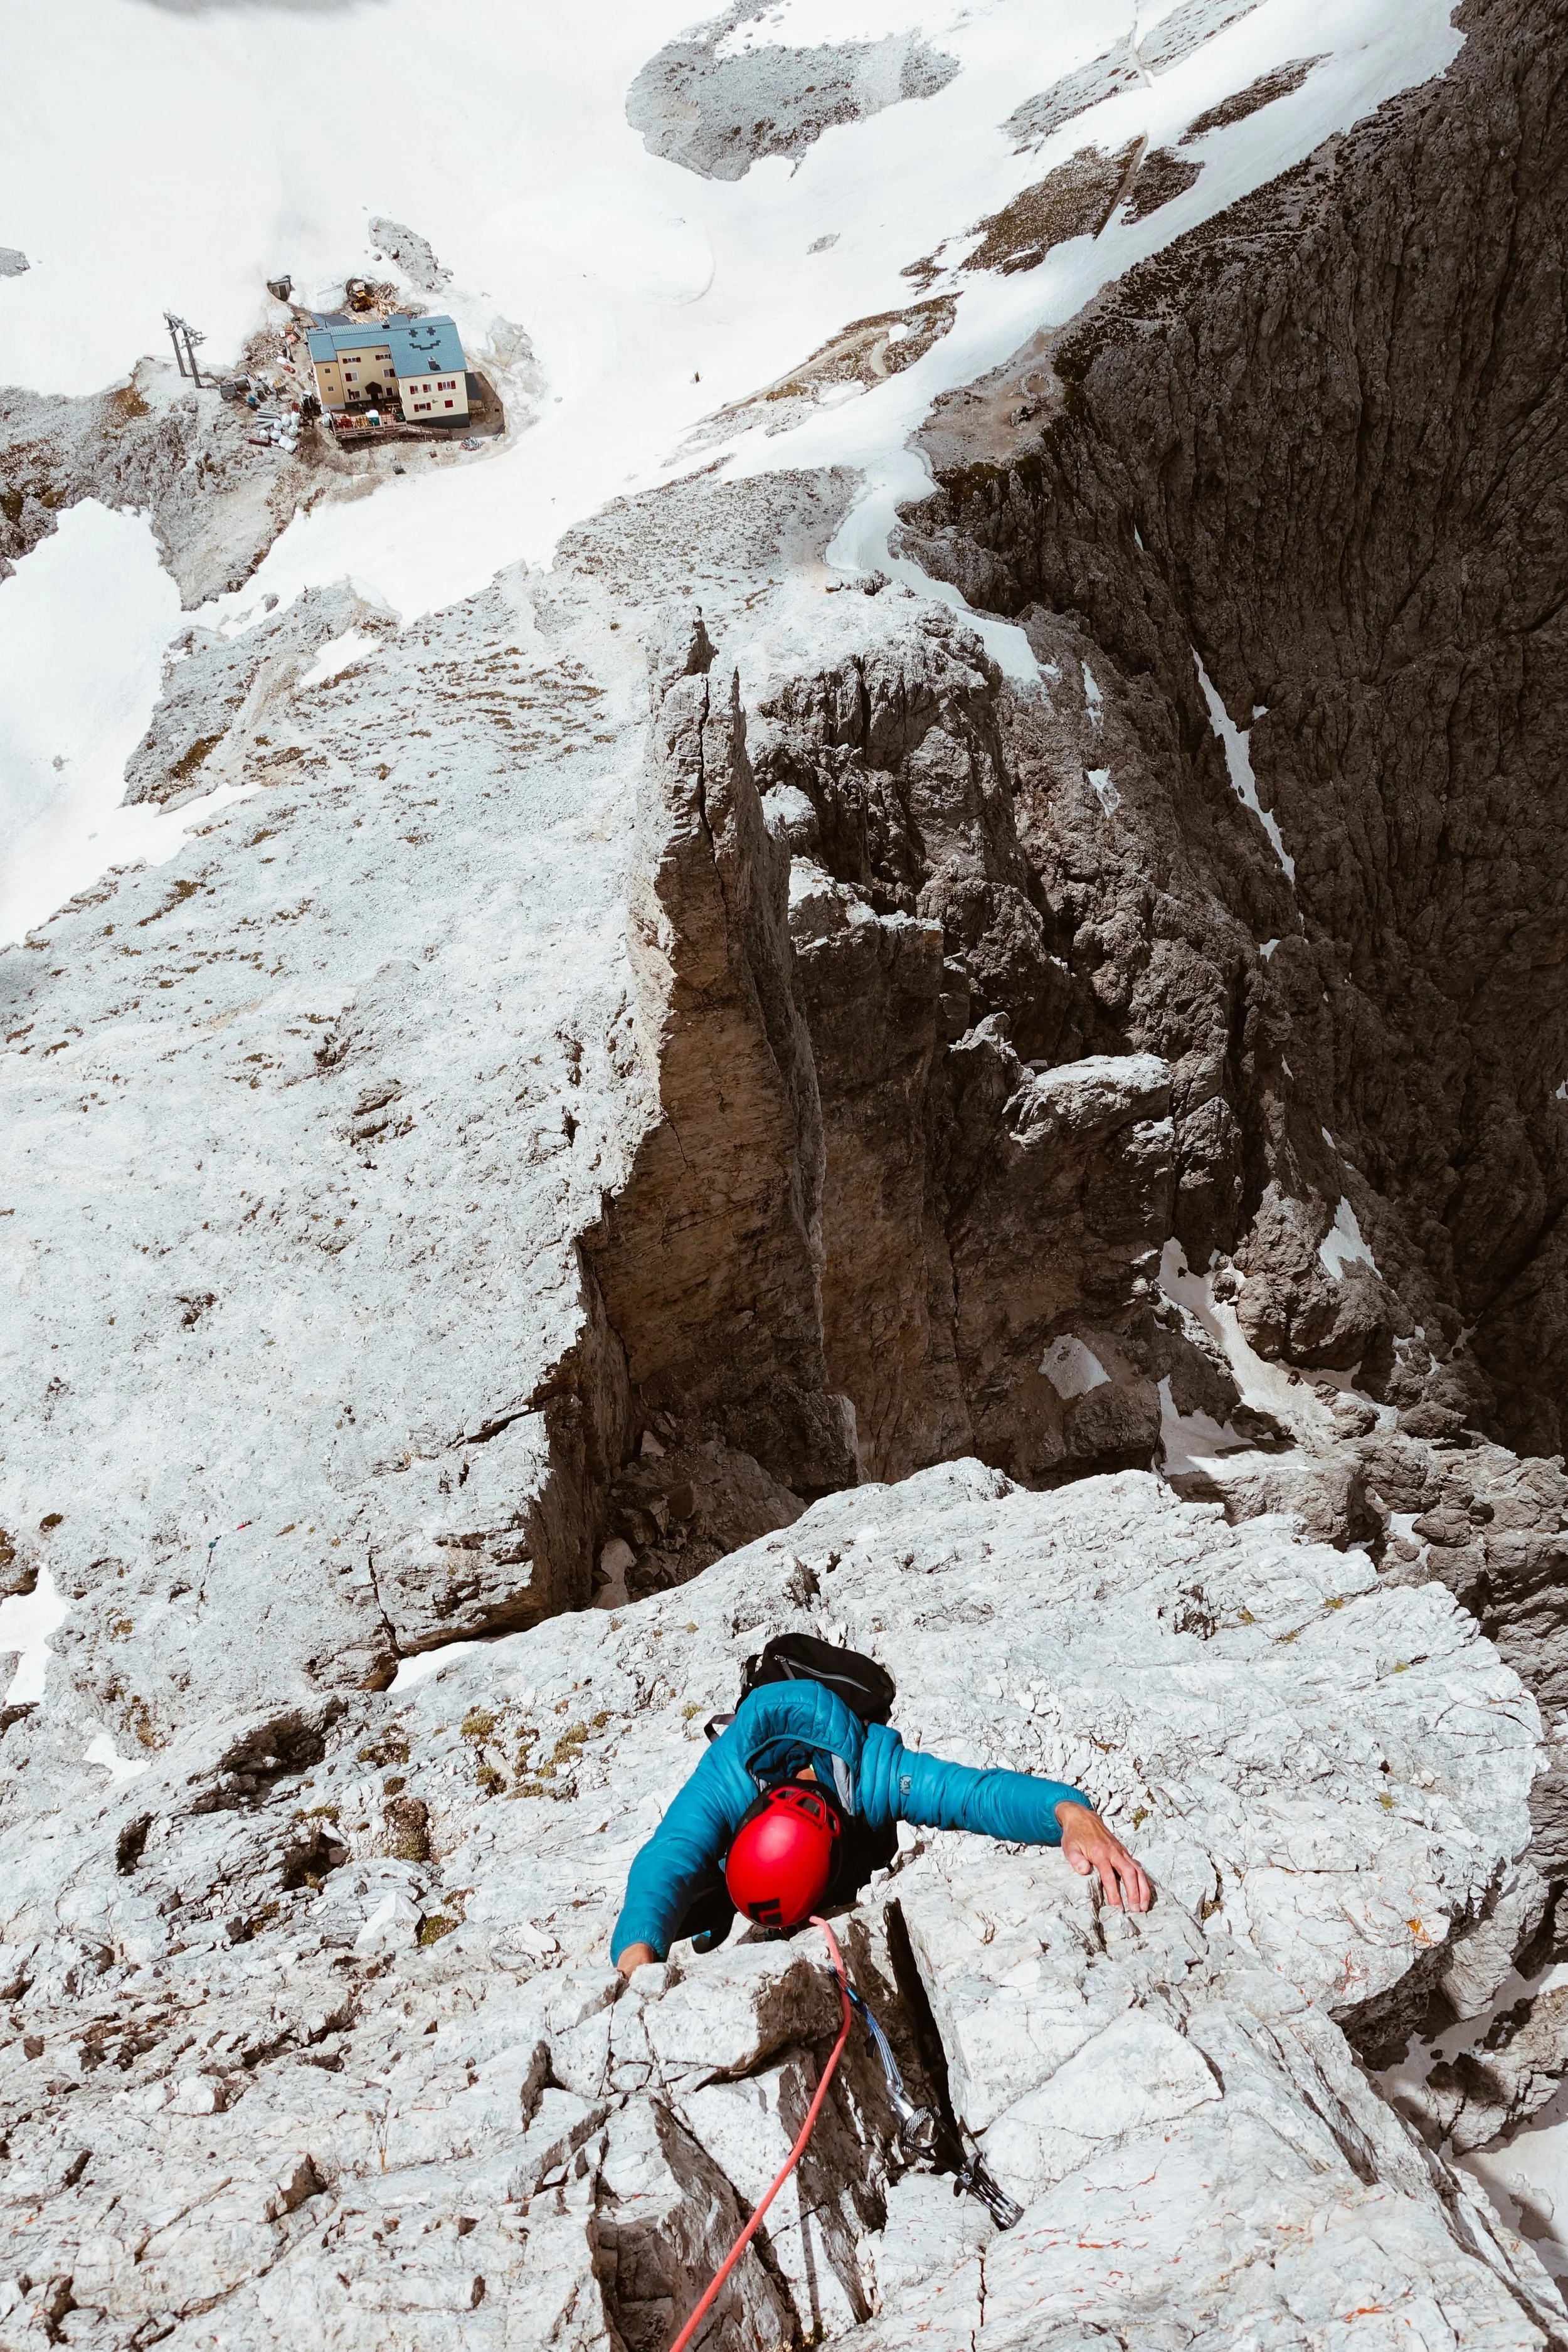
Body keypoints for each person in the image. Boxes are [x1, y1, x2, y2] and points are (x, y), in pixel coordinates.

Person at [611, 1675, 1151, 1977]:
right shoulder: (729, 1776)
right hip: (747, 1829)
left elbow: (974, 1795)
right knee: (692, 1881)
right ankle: (725, 1901)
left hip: (835, 1830)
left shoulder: (875, 1775)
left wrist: (1068, 1813)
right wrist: (637, 1959)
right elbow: (668, 1857)